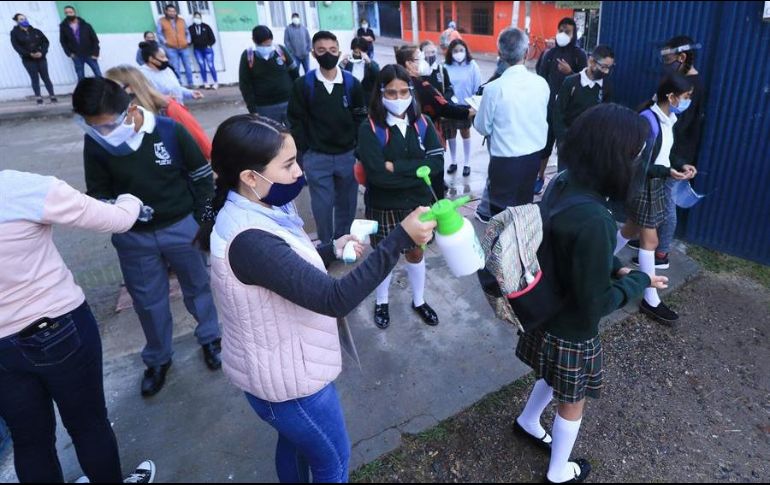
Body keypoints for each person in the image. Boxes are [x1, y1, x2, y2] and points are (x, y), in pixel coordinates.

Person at [196, 114, 436, 483]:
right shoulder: (249, 238)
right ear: (250, 176)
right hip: (290, 385)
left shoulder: (259, 206)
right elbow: (334, 298)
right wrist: (399, 239)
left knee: (296, 446)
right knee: (332, 463)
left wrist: (330, 249)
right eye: (289, 164)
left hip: (280, 371)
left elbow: (284, 264)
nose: (300, 173)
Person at [513, 103, 668, 484]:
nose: (638, 160)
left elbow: (567, 249)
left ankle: (528, 421)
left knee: (550, 376)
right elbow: (596, 302)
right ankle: (558, 472)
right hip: (572, 328)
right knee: (573, 397)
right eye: (635, 153)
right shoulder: (597, 219)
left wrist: (615, 266)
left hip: (543, 307)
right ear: (616, 157)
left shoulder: (561, 181)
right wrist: (639, 281)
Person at [0, 170, 157, 484]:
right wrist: (131, 201)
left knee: (29, 440)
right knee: (88, 425)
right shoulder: (19, 188)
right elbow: (115, 219)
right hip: (56, 328)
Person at [73, 77, 220, 397]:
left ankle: (211, 338)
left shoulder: (169, 131)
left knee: (199, 287)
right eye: (93, 127)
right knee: (148, 302)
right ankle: (158, 358)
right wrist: (120, 213)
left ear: (130, 111)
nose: (103, 133)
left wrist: (203, 223)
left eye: (108, 125)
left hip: (183, 227)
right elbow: (98, 192)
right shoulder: (96, 142)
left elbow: (201, 178)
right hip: (133, 237)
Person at [356, 65, 445, 329]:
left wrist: (396, 166)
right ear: (380, 93)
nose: (398, 98)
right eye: (391, 93)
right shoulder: (369, 128)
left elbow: (438, 162)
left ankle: (419, 301)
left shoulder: (423, 123)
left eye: (404, 92)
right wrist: (418, 169)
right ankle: (381, 301)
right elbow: (377, 177)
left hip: (418, 205)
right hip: (384, 205)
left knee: (416, 253)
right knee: (385, 256)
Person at [614, 74, 696, 325]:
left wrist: (682, 165)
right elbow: (637, 163)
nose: (687, 102)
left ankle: (597, 259)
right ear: (671, 97)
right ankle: (651, 299)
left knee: (630, 229)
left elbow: (666, 154)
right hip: (643, 186)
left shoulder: (669, 118)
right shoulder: (647, 122)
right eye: (685, 97)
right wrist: (665, 171)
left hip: (655, 183)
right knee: (651, 240)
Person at [629, 36, 706, 269]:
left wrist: (678, 162)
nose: (665, 63)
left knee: (667, 203)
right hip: (663, 156)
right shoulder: (655, 118)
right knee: (641, 218)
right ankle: (644, 241)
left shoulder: (691, 87)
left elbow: (683, 124)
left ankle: (660, 254)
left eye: (669, 59)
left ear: (682, 58)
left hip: (674, 153)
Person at [287, 30, 368, 246]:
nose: (328, 54)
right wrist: (303, 153)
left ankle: (343, 239)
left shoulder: (352, 84)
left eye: (332, 50)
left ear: (339, 52)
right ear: (313, 53)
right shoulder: (304, 85)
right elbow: (295, 120)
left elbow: (361, 117)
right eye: (322, 50)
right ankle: (326, 244)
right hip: (317, 157)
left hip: (347, 155)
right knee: (322, 206)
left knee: (347, 203)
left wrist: (359, 150)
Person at [474, 28, 549, 215]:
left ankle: (500, 244)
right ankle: (519, 244)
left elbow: (482, 127)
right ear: (526, 52)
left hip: (505, 163)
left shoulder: (493, 89)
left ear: (500, 54)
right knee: (523, 210)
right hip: (533, 159)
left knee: (500, 215)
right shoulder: (541, 83)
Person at [394, 44, 473, 200]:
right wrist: (471, 110)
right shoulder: (421, 86)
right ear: (409, 63)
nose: (424, 61)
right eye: (421, 58)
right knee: (432, 191)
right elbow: (446, 108)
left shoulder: (397, 83)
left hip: (404, 146)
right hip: (429, 144)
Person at [106, 64, 212, 161]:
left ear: (131, 88)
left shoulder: (169, 109)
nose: (106, 93)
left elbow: (202, 145)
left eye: (111, 88)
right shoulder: (117, 118)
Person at [535, 17, 587, 194]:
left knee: (566, 148)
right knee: (545, 146)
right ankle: (539, 177)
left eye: (568, 31)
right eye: (561, 30)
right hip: (549, 109)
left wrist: (570, 73)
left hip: (570, 112)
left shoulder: (579, 55)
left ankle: (563, 181)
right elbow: (541, 79)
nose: (563, 34)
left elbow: (585, 81)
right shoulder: (549, 54)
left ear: (573, 35)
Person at [552, 45, 615, 159]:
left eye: (609, 68)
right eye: (604, 67)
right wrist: (562, 140)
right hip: (569, 144)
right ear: (591, 61)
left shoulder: (606, 87)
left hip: (591, 147)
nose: (606, 71)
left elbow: (606, 117)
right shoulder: (571, 83)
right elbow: (558, 113)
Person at [239, 25, 299, 125]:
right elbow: (245, 84)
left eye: (268, 44)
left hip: (288, 102)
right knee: (272, 137)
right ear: (254, 40)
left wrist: (298, 98)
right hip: (264, 107)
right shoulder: (248, 56)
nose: (266, 48)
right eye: (262, 45)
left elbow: (295, 73)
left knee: (295, 133)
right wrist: (252, 109)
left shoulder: (280, 50)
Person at [443, 39, 482, 177]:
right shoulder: (445, 67)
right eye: (455, 51)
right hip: (450, 106)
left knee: (465, 132)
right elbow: (443, 86)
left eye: (461, 50)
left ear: (466, 51)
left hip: (466, 106)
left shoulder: (472, 65)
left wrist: (474, 104)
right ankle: (453, 162)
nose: (458, 53)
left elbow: (478, 86)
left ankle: (467, 163)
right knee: (451, 134)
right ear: (450, 52)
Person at [10, 13, 57, 105]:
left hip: (41, 58)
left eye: (25, 18)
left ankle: (52, 96)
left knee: (46, 77)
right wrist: (29, 54)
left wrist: (42, 52)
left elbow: (45, 42)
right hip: (28, 60)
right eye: (21, 19)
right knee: (34, 78)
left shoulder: (35, 31)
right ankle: (39, 98)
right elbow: (16, 46)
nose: (24, 20)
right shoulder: (14, 33)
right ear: (17, 21)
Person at [139, 41, 203, 105]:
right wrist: (164, 99)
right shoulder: (143, 74)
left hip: (177, 108)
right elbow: (146, 97)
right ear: (151, 59)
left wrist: (190, 93)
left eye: (166, 57)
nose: (166, 60)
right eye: (162, 57)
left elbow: (175, 88)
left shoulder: (167, 70)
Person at [59, 5, 101, 81]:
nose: (68, 14)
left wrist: (96, 53)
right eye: (66, 13)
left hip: (90, 54)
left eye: (70, 12)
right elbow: (63, 41)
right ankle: (83, 92)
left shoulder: (86, 25)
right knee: (80, 77)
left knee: (98, 74)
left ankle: (102, 91)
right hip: (76, 56)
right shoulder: (63, 27)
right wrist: (70, 53)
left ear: (74, 12)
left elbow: (95, 40)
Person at [156, 4, 194, 87]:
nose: (172, 13)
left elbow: (187, 32)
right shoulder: (161, 21)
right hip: (171, 48)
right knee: (175, 67)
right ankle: (178, 84)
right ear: (166, 11)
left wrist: (188, 41)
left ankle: (191, 83)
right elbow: (159, 33)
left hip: (184, 47)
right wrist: (165, 42)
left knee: (188, 66)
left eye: (173, 11)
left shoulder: (181, 21)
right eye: (170, 11)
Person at [340, 37, 380, 102]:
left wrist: (369, 63)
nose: (357, 54)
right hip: (350, 97)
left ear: (365, 52)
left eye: (360, 52)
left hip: (366, 99)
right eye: (355, 52)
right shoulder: (348, 63)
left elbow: (378, 76)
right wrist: (343, 63)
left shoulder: (371, 64)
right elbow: (337, 74)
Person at [189, 12, 218, 90]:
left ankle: (215, 82)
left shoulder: (206, 26)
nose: (197, 19)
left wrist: (209, 45)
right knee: (202, 66)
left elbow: (213, 38)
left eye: (198, 17)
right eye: (195, 17)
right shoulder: (191, 28)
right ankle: (205, 82)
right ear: (193, 18)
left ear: (201, 18)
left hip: (207, 49)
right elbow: (189, 40)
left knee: (211, 65)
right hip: (197, 50)